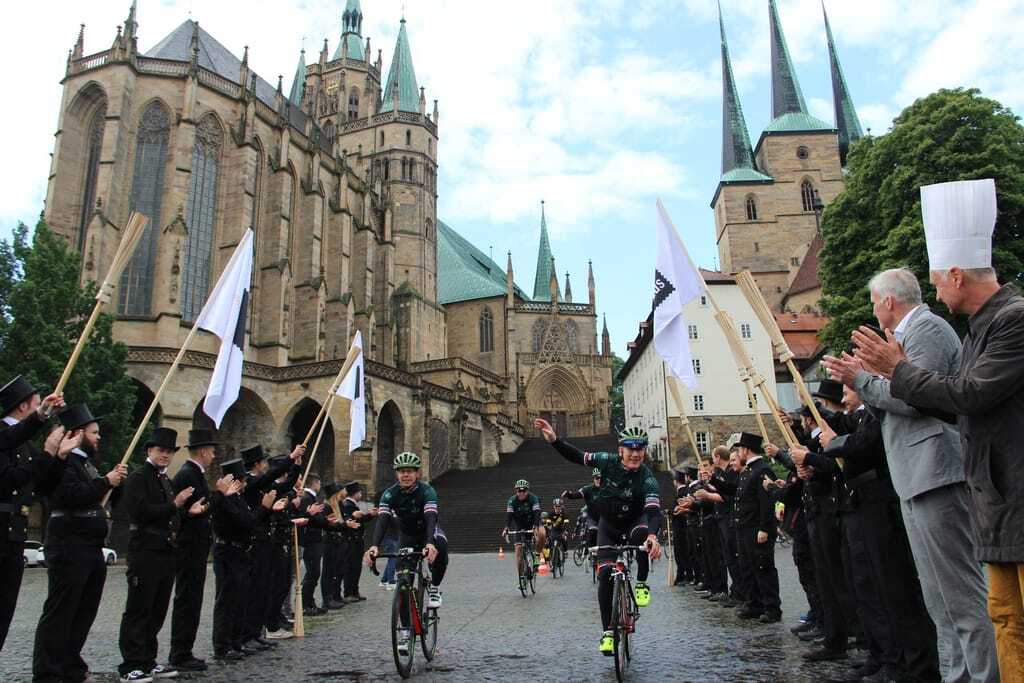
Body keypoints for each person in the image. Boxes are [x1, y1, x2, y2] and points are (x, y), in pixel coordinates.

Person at [850, 179, 1017, 680]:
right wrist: (881, 375)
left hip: (962, 477)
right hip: (959, 482)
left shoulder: (978, 324)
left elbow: (950, 397)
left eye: (939, 278)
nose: (935, 290)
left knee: (972, 603)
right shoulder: (975, 328)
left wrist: (877, 376)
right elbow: (946, 398)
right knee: (950, 603)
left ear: (957, 275)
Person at [826, 266, 998, 683]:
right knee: (939, 599)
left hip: (936, 469)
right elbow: (894, 399)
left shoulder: (928, 331)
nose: (873, 309)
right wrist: (865, 380)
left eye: (874, 302)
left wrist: (861, 380)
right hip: (915, 474)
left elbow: (916, 397)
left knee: (961, 594)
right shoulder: (904, 338)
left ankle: (984, 675)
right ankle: (957, 674)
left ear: (888, 300)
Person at [535, 420, 662, 655]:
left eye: (640, 449)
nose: (635, 454)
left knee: (643, 537)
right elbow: (577, 456)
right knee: (604, 575)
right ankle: (608, 633)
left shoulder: (647, 477)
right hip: (609, 525)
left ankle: (641, 583)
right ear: (621, 450)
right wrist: (554, 440)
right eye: (630, 449)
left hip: (635, 523)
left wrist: (653, 536)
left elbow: (654, 511)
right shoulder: (606, 461)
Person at [32, 404, 124, 683]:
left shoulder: (86, 464)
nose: (99, 437)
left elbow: (95, 498)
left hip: (90, 546)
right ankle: (48, 670)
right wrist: (105, 481)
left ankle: (70, 663)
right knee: (61, 611)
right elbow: (70, 495)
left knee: (83, 612)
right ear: (78, 434)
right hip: (69, 545)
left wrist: (114, 484)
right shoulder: (64, 463)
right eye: (94, 432)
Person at [117, 427, 205, 683]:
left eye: (169, 451)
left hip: (166, 550)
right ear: (149, 451)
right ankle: (131, 664)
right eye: (161, 450)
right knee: (139, 609)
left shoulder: (165, 480)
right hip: (145, 550)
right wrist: (175, 505)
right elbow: (141, 512)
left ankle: (148, 659)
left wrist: (187, 512)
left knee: (157, 609)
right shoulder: (138, 477)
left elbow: (170, 514)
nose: (165, 455)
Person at [0, 376, 65, 652]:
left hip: (14, 535)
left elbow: (41, 486)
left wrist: (57, 457)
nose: (41, 407)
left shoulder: (24, 443)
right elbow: (8, 480)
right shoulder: (5, 435)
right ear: (23, 406)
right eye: (37, 404)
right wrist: (45, 450)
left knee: (5, 611)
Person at [364, 452, 448, 657]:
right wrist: (374, 546)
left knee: (441, 545)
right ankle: (405, 632)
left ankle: (435, 587)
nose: (406, 475)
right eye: (402, 472)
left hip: (428, 531)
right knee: (403, 584)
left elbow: (431, 517)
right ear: (397, 474)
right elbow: (383, 520)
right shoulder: (389, 494)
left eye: (410, 471)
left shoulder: (427, 491)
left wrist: (429, 543)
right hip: (407, 536)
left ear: (417, 473)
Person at [239, 444, 303, 651]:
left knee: (265, 589)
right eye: (263, 462)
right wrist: (291, 457)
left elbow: (285, 486)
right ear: (257, 464)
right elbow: (270, 478)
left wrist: (296, 466)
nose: (266, 466)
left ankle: (256, 632)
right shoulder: (251, 482)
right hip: (257, 542)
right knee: (257, 590)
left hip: (268, 541)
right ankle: (249, 633)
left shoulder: (261, 483)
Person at [168, 428, 217, 672]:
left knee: (192, 599)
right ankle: (180, 652)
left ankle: (184, 650)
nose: (214, 457)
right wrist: (219, 495)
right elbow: (188, 511)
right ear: (203, 452)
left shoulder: (194, 473)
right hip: (189, 546)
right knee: (187, 599)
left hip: (195, 546)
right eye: (212, 452)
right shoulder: (189, 474)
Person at [731, 432, 781, 623]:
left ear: (746, 450)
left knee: (763, 567)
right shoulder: (748, 471)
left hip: (756, 527)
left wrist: (765, 528)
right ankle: (754, 603)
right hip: (744, 527)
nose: (738, 453)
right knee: (748, 567)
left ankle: (772, 607)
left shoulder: (762, 470)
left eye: (739, 449)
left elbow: (766, 502)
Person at [341, 482, 375, 602]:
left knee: (356, 567)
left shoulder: (352, 504)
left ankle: (354, 591)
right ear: (355, 493)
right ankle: (349, 592)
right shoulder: (348, 505)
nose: (361, 494)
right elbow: (351, 520)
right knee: (351, 567)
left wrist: (370, 515)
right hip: (352, 540)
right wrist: (368, 515)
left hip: (357, 540)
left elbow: (361, 519)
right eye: (359, 492)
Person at [503, 479, 546, 573]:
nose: (521, 493)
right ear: (516, 491)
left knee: (542, 533)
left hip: (533, 521)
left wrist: (535, 526)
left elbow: (537, 512)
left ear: (528, 491)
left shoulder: (533, 498)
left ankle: (537, 555)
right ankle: (521, 577)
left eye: (524, 491)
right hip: (519, 524)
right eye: (519, 491)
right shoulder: (512, 500)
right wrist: (506, 527)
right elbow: (509, 515)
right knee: (518, 552)